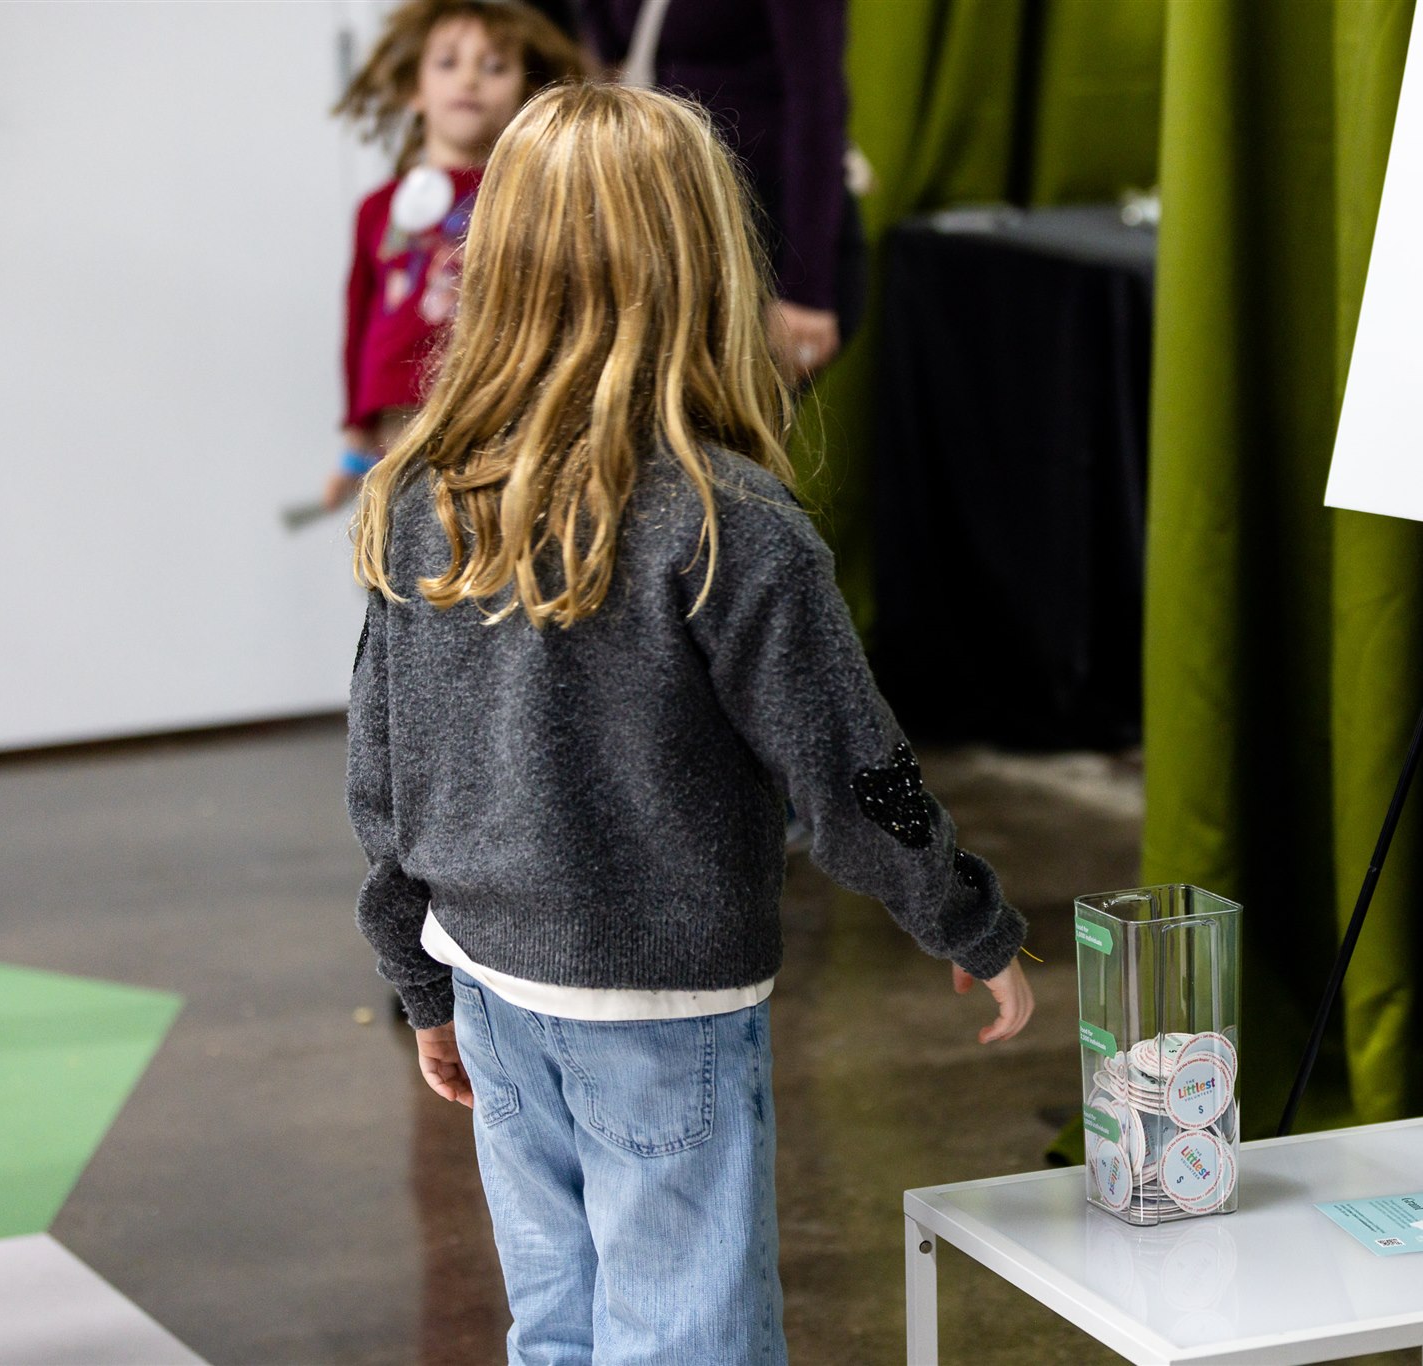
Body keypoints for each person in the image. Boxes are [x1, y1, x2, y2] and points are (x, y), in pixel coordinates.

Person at [345, 84, 1034, 1363]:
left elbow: (381, 775)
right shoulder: (731, 524)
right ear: (705, 264)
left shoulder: (424, 494)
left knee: (555, 1324)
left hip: (486, 979)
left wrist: (417, 975)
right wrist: (966, 918)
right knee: (685, 1336)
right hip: (659, 1007)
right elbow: (853, 773)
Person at [326, 0, 582, 510]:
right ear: (415, 90)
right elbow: (358, 319)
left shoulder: (531, 199)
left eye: (495, 67)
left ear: (526, 96)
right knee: (407, 544)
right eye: (448, 63)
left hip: (500, 414)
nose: (469, 80)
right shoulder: (377, 208)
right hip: (398, 423)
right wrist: (355, 446)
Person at [574, 0, 862, 387]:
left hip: (769, 232)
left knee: (718, 416)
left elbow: (817, 106)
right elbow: (611, 45)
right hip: (670, 220)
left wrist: (806, 289)